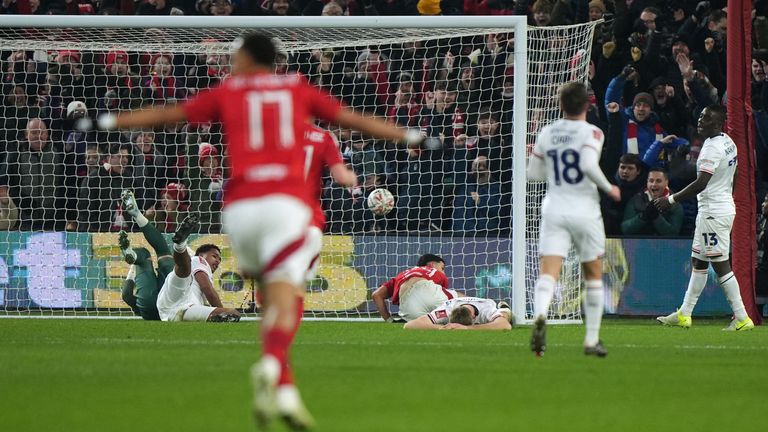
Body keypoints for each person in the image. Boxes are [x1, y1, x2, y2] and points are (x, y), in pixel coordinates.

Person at [79, 32, 428, 431]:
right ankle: (276, 370)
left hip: (239, 210)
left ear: (246, 58)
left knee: (266, 287)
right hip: (289, 210)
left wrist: (103, 120)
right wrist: (411, 136)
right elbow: (352, 119)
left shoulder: (231, 90)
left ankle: (276, 374)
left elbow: (169, 113)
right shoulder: (299, 93)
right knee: (287, 292)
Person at [526, 81, 621, 358]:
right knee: (592, 276)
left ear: (561, 105)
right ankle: (591, 341)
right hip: (585, 211)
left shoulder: (547, 132)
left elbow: (534, 175)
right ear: (588, 105)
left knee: (548, 273)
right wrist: (609, 188)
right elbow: (588, 164)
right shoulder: (593, 132)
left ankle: (541, 315)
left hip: (555, 208)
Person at [654, 105, 755, 331]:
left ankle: (742, 317)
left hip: (713, 212)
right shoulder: (727, 141)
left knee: (720, 266)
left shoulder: (712, 149)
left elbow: (701, 183)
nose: (700, 121)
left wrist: (670, 200)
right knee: (699, 262)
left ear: (718, 123)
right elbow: (735, 173)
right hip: (716, 209)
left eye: (706, 118)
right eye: (700, 117)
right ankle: (685, 313)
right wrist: (726, 196)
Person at [118, 190, 236, 322]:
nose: (218, 261)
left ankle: (137, 218)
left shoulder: (142, 263)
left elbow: (126, 295)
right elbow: (207, 289)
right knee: (178, 266)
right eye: (215, 256)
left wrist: (140, 310)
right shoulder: (198, 260)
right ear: (201, 255)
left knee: (151, 254)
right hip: (172, 303)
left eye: (219, 259)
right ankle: (179, 245)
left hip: (155, 305)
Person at [371, 254, 459, 322]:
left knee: (425, 320)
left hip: (408, 310)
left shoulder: (400, 276)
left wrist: (389, 320)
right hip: (428, 292)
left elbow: (376, 295)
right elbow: (446, 301)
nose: (443, 272)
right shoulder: (433, 271)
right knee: (460, 301)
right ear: (431, 264)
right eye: (442, 268)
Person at [621, 167, 683, 236]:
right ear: (647, 182)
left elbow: (673, 233)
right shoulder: (635, 200)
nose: (654, 184)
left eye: (658, 181)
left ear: (666, 182)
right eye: (651, 181)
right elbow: (625, 229)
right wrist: (643, 216)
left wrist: (656, 217)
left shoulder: (674, 203)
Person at [403, 297, 513, 330]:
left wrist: (468, 328)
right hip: (457, 300)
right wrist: (441, 328)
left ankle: (503, 306)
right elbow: (409, 325)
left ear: (474, 317)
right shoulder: (447, 309)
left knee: (506, 314)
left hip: (483, 301)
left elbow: (505, 326)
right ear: (449, 316)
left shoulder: (486, 310)